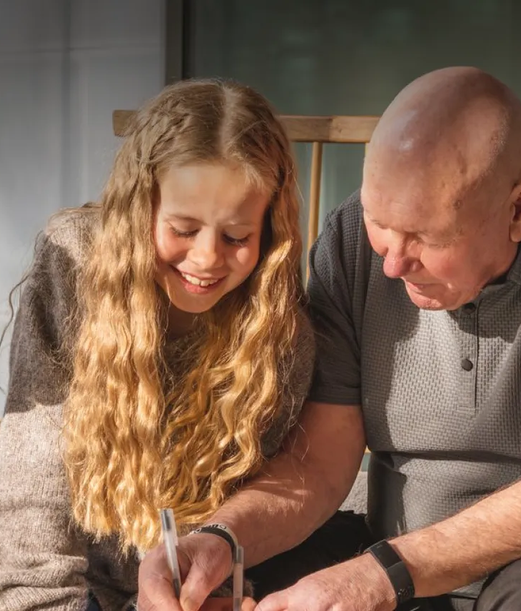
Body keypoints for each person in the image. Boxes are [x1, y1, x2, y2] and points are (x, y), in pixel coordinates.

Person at [138, 67, 521, 611]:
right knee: (246, 581)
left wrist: (376, 576)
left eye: (424, 236)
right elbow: (318, 467)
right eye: (379, 223)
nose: (390, 264)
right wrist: (222, 538)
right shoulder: (353, 243)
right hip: (409, 555)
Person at [0, 78, 315, 611]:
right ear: (136, 207)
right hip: (67, 589)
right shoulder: (73, 264)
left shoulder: (277, 324)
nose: (208, 258)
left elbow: (236, 513)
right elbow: (33, 488)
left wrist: (199, 593)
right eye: (183, 228)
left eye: (237, 237)